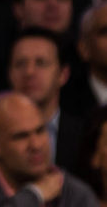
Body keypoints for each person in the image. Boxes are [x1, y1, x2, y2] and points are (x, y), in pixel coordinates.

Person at [7, 28, 82, 172]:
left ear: (63, 74)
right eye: (20, 64)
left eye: (40, 63)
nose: (29, 72)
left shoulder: (84, 136)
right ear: (9, 74)